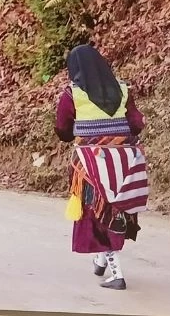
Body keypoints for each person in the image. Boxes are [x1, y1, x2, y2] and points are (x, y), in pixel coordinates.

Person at [54, 43, 148, 290]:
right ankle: (100, 261)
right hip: (123, 163)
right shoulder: (123, 89)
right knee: (115, 208)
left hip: (89, 166)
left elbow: (63, 128)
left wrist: (71, 134)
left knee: (98, 213)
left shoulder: (71, 94)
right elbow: (136, 122)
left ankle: (117, 274)